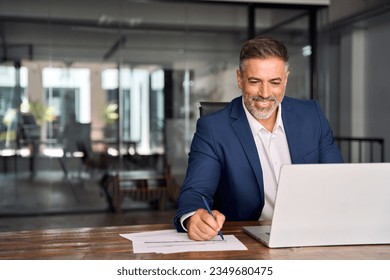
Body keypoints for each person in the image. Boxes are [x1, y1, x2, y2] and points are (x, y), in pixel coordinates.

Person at [173, 36, 344, 241]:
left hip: (311, 234)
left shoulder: (312, 116)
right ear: (240, 79)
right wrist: (195, 217)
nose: (265, 93)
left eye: (274, 82)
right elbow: (195, 192)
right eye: (255, 82)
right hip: (245, 241)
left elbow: (337, 181)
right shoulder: (213, 128)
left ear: (285, 80)